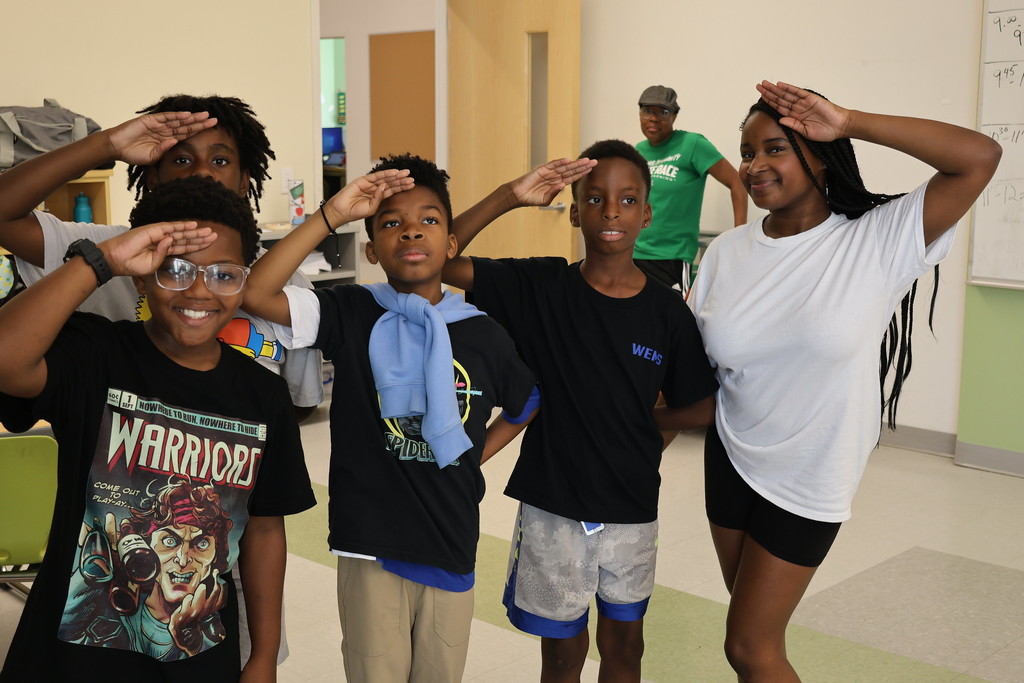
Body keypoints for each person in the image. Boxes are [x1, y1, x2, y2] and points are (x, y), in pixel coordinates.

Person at [687, 81, 1002, 682]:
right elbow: (703, 366)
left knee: (750, 647)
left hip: (812, 471)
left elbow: (978, 157)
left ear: (820, 155)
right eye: (747, 152)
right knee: (750, 635)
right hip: (731, 458)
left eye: (774, 148)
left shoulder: (876, 240)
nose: (754, 166)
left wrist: (850, 120)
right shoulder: (727, 252)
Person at [0, 176, 316, 680]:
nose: (199, 290)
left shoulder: (263, 395)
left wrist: (262, 656)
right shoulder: (97, 353)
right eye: (176, 270)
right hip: (71, 658)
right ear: (142, 276)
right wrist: (100, 261)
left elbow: (264, 529)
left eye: (222, 274)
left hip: (201, 657)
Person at [242, 154, 542, 683]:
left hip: (450, 538)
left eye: (429, 221)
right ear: (373, 251)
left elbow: (525, 402)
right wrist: (331, 214)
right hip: (371, 541)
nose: (411, 232)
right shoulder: (354, 312)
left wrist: (472, 455)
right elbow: (256, 292)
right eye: (391, 224)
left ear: (452, 246)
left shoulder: (482, 334)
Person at [442, 141, 719, 682]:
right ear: (574, 212)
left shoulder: (666, 312)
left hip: (632, 506)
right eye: (594, 198)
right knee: (564, 657)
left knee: (625, 648)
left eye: (627, 198)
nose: (611, 210)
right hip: (553, 507)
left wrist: (645, 424)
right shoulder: (541, 286)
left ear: (647, 213)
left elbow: (701, 406)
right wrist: (509, 196)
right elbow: (441, 258)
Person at [0, 95, 324, 422]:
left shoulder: (287, 284)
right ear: (152, 176)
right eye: (182, 160)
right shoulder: (107, 249)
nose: (201, 173)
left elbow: (297, 404)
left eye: (220, 161)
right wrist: (106, 144)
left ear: (243, 182)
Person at [634, 85, 748, 295]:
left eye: (663, 112)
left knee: (671, 319)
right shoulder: (637, 152)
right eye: (648, 110)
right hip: (634, 253)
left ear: (675, 115)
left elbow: (737, 183)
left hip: (673, 256)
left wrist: (739, 236)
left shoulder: (692, 144)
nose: (654, 118)